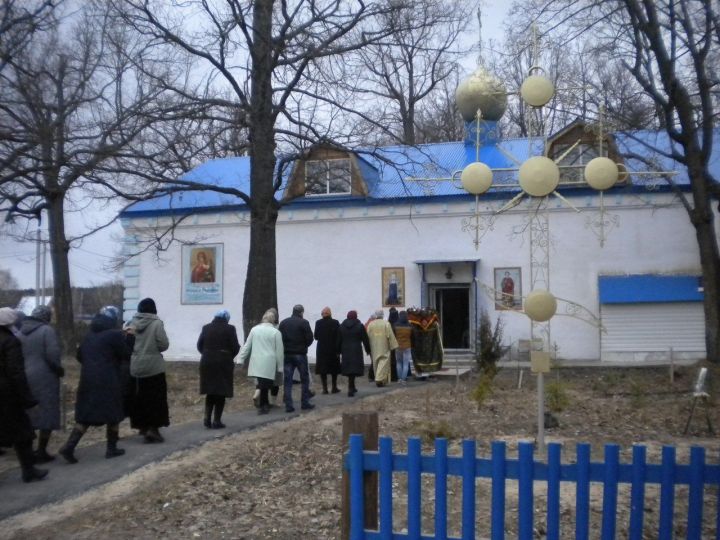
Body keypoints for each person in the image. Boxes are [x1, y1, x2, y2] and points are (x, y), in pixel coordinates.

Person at [59, 306, 130, 463]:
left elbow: (80, 355)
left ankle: (69, 447)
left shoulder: (89, 334)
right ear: (114, 319)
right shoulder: (115, 334)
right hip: (109, 379)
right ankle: (111, 449)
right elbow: (126, 355)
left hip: (88, 379)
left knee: (86, 415)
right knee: (114, 414)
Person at [0, 307, 48, 483]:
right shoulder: (10, 341)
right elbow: (16, 373)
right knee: (23, 434)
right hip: (8, 396)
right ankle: (29, 471)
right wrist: (27, 399)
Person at [19, 305, 63, 463]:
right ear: (47, 317)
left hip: (24, 376)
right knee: (47, 413)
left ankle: (28, 452)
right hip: (45, 378)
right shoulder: (47, 331)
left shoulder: (20, 332)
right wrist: (59, 370)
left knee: (29, 414)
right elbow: (53, 355)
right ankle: (41, 451)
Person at [127, 298, 170, 443]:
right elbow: (164, 344)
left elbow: (127, 343)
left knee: (139, 398)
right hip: (154, 367)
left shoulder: (130, 323)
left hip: (135, 367)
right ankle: (153, 429)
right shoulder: (157, 324)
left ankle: (142, 427)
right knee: (155, 399)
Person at [197, 309, 240, 429]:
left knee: (210, 390)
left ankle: (207, 418)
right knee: (221, 391)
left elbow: (199, 345)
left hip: (207, 362)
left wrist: (207, 354)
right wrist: (227, 356)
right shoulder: (230, 329)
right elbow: (235, 347)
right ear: (226, 318)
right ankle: (216, 421)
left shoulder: (206, 327)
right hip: (223, 362)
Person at [239, 309, 284, 415]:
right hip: (269, 361)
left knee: (261, 383)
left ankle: (263, 404)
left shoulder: (254, 330)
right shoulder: (276, 332)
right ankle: (264, 405)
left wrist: (241, 358)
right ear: (273, 320)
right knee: (267, 384)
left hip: (257, 360)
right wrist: (280, 366)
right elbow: (279, 351)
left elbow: (247, 345)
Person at [278, 304, 314, 413]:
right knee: (304, 379)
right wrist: (304, 346)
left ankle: (289, 405)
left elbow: (280, 338)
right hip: (300, 353)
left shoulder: (284, 323)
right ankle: (305, 402)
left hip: (287, 354)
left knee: (288, 380)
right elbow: (310, 338)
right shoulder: (304, 323)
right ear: (301, 312)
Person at [337, 310, 370, 397]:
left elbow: (338, 340)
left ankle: (352, 386)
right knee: (353, 368)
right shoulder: (359, 326)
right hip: (356, 349)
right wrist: (368, 350)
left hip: (345, 349)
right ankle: (351, 388)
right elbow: (365, 339)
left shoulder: (341, 326)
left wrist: (338, 351)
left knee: (349, 369)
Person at [367, 310, 399, 387]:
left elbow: (367, 335)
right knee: (384, 362)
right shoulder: (386, 324)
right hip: (384, 346)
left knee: (376, 363)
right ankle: (379, 379)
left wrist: (368, 347)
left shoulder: (371, 324)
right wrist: (393, 346)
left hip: (374, 346)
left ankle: (382, 380)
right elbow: (390, 335)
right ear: (382, 315)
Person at [314, 306, 341, 394]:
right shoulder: (335, 322)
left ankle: (325, 389)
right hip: (333, 349)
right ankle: (334, 387)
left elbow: (316, 336)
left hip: (322, 349)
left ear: (322, 314)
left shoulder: (318, 323)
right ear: (330, 314)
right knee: (334, 369)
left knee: (323, 370)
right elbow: (339, 336)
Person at [393, 311, 413, 383]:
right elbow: (412, 336)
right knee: (405, 363)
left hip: (398, 346)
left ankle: (399, 379)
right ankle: (403, 379)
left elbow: (393, 335)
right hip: (407, 346)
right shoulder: (410, 326)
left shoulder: (395, 325)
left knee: (398, 363)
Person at [388, 307, 399, 382]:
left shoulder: (388, 324)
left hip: (390, 344)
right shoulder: (398, 323)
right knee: (397, 360)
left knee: (392, 360)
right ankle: (396, 376)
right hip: (398, 343)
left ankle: (391, 376)